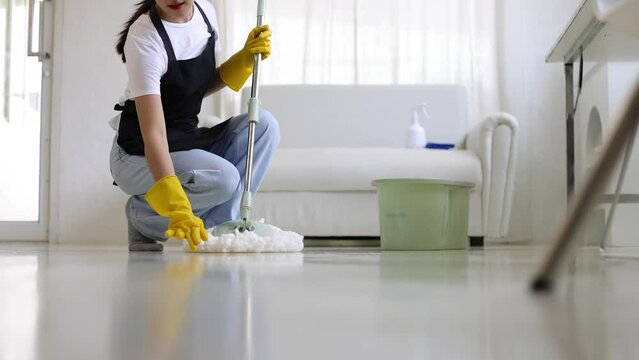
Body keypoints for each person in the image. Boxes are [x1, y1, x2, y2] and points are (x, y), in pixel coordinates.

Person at [110, 0, 279, 252]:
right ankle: (142, 217)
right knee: (224, 178)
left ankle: (220, 225)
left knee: (265, 125)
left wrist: (243, 59)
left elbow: (193, 87)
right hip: (138, 152)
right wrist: (177, 208)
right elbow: (154, 134)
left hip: (185, 138)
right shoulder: (144, 37)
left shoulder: (206, 13)